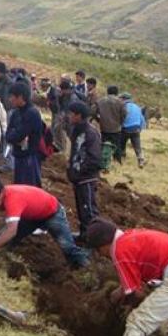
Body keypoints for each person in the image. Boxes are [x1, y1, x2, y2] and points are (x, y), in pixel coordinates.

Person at [0, 180, 89, 268]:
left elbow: (12, 230)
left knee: (67, 247)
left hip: (51, 213)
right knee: (1, 239)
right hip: (30, 217)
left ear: (2, 192)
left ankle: (86, 267)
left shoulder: (13, 198)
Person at [67, 102, 102, 238]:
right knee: (81, 208)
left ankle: (94, 239)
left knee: (89, 209)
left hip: (86, 178)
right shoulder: (76, 130)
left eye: (71, 113)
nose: (69, 116)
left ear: (79, 115)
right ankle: (84, 234)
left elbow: (94, 159)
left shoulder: (90, 133)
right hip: (78, 177)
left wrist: (80, 171)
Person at [5, 82, 43, 186]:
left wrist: (15, 135)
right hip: (18, 156)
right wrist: (15, 135)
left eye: (12, 96)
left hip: (29, 158)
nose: (10, 99)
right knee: (19, 186)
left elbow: (19, 134)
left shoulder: (32, 113)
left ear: (20, 97)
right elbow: (8, 135)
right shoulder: (16, 113)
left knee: (29, 187)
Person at [96, 86, 126, 164]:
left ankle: (102, 162)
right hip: (116, 128)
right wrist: (120, 122)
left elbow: (92, 111)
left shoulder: (100, 101)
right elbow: (124, 114)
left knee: (102, 145)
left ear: (107, 92)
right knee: (117, 146)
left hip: (103, 127)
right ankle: (118, 161)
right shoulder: (120, 102)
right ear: (117, 93)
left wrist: (98, 120)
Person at [119, 93, 146, 168]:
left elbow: (121, 118)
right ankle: (141, 159)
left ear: (123, 99)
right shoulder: (137, 107)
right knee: (137, 146)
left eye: (120, 98)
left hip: (125, 129)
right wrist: (140, 128)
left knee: (122, 144)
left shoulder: (123, 106)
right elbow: (142, 119)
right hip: (136, 128)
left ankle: (122, 158)